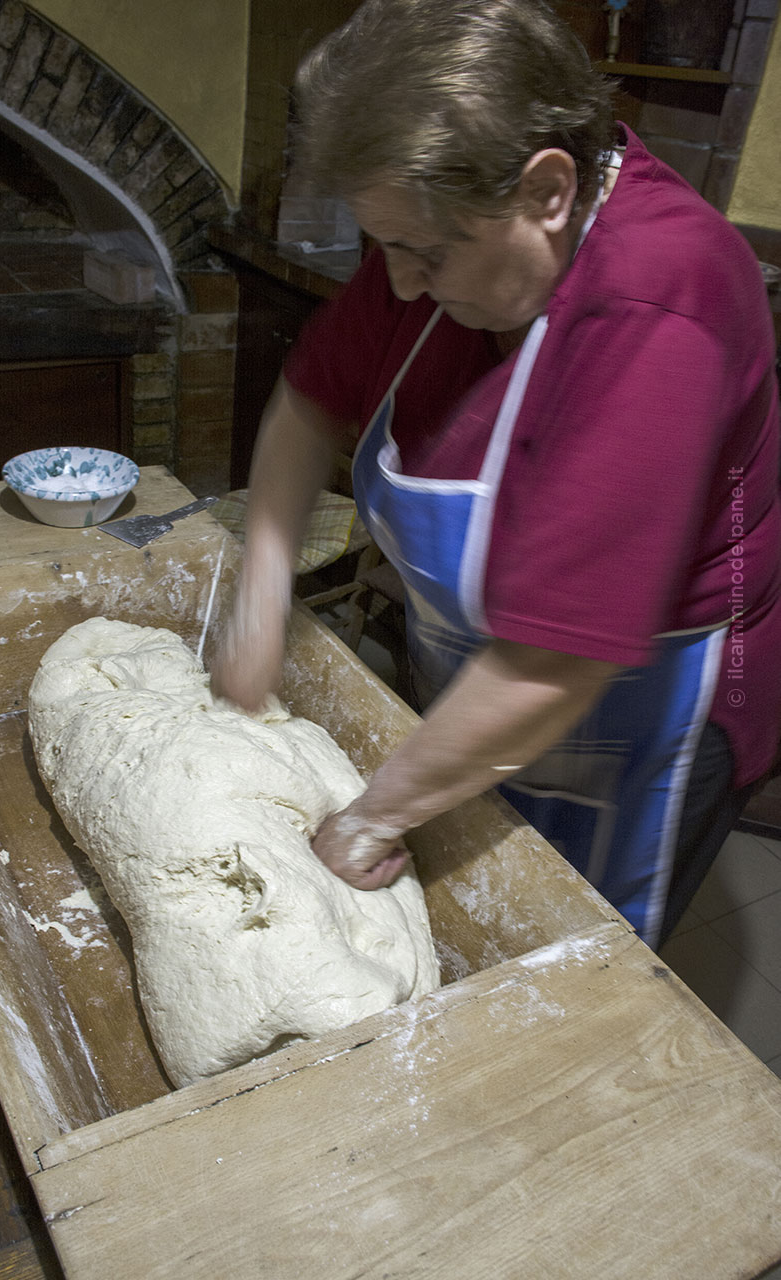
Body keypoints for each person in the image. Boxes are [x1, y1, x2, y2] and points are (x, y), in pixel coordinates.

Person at [213, 0, 781, 949]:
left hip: (649, 710)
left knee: (566, 967)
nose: (396, 284)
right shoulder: (444, 225)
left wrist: (367, 817)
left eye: (425, 255)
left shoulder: (661, 300)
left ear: (548, 192)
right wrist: (262, 593)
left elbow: (556, 663)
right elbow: (309, 401)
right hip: (499, 683)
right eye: (385, 245)